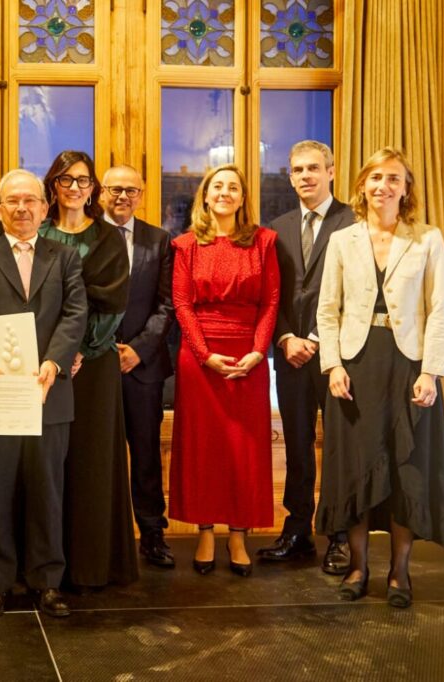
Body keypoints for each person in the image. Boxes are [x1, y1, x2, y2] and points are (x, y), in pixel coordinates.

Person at [316, 147, 444, 607]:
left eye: (393, 178)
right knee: (356, 467)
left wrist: (432, 371)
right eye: (375, 177)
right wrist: (333, 364)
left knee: (405, 469)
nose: (383, 186)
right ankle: (358, 568)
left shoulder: (427, 238)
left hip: (408, 365)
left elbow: (440, 311)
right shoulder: (343, 240)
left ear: (406, 188)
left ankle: (400, 573)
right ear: (361, 185)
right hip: (356, 366)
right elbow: (328, 309)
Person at [0, 169, 87, 620]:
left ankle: (47, 582)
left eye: (31, 200)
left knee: (47, 491)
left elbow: (75, 313)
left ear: (45, 208)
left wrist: (54, 361)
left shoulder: (65, 256)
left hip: (49, 393)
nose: (23, 208)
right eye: (13, 201)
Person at [169, 164, 280, 578]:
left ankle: (238, 533)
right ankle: (204, 531)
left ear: (243, 197)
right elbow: (182, 304)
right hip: (201, 359)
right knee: (202, 448)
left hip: (248, 357)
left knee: (244, 448)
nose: (225, 193)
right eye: (218, 186)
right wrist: (203, 354)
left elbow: (270, 302)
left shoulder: (264, 242)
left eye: (233, 187)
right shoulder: (185, 246)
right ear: (205, 195)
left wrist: (258, 352)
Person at [38, 151, 138, 590]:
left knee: (91, 463)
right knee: (45, 463)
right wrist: (55, 352)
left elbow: (112, 303)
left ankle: (91, 565)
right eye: (65, 179)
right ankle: (43, 563)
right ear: (53, 185)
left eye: (82, 180)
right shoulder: (35, 234)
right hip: (42, 367)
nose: (74, 187)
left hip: (93, 367)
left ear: (93, 188)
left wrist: (79, 349)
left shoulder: (108, 239)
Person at [258, 141, 355, 575]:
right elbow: (271, 294)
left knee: (338, 447)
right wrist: (284, 338)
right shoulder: (276, 228)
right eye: (297, 170)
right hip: (290, 355)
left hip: (339, 357)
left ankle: (338, 535)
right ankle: (297, 531)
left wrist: (316, 338)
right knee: (297, 448)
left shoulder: (354, 221)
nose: (305, 177)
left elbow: (359, 291)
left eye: (314, 168)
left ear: (331, 171)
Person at [99, 165, 176, 569]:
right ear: (101, 193)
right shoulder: (88, 234)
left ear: (141, 194)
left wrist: (138, 349)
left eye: (130, 190)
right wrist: (104, 349)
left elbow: (167, 305)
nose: (122, 197)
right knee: (96, 457)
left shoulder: (159, 240)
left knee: (146, 454)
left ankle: (152, 535)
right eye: (114, 189)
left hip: (142, 368)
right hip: (94, 367)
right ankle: (100, 537)